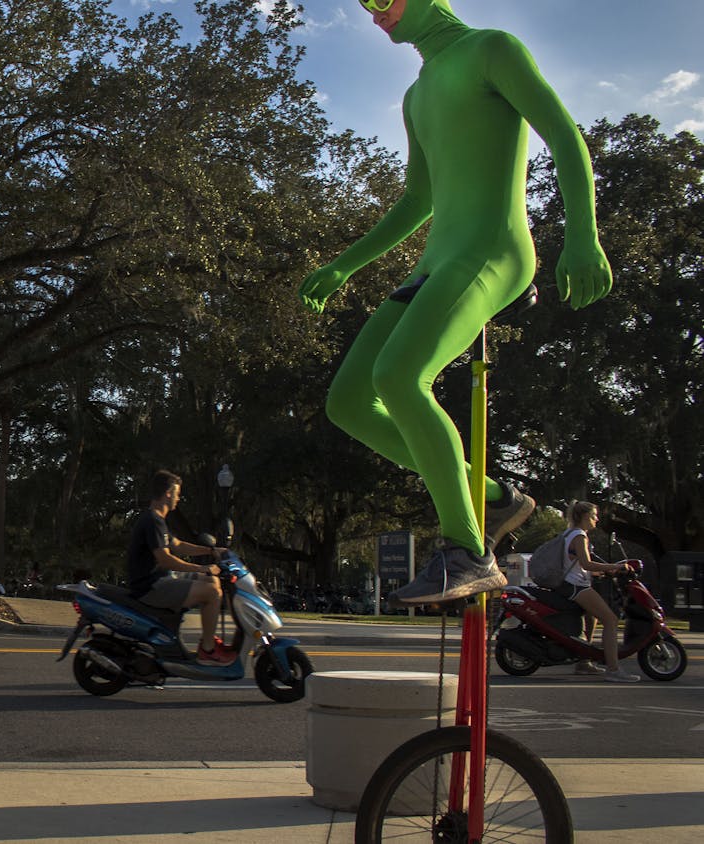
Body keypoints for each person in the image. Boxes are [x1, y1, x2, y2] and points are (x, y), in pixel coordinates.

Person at [299, 0, 612, 605]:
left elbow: (566, 136)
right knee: (348, 403)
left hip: (493, 251)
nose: (374, 14)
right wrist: (345, 263)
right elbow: (418, 200)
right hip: (435, 262)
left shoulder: (492, 48)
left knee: (399, 376)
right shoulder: (417, 95)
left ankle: (467, 551)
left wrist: (583, 235)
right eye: (362, 4)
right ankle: (495, 500)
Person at [126, 470, 233, 664]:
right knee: (212, 593)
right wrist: (202, 568)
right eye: (177, 493)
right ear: (168, 493)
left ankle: (206, 639)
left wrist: (212, 550)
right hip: (151, 587)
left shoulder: (158, 520)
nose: (179, 497)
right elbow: (165, 559)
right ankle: (207, 649)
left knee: (212, 581)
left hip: (161, 580)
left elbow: (178, 545)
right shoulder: (152, 521)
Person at [558, 501, 639, 683]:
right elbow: (586, 563)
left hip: (571, 583)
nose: (597, 519)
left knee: (591, 617)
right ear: (586, 517)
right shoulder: (579, 535)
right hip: (576, 586)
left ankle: (583, 661)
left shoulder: (569, 534)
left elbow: (578, 564)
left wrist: (603, 571)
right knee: (610, 620)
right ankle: (614, 669)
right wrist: (615, 566)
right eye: (594, 516)